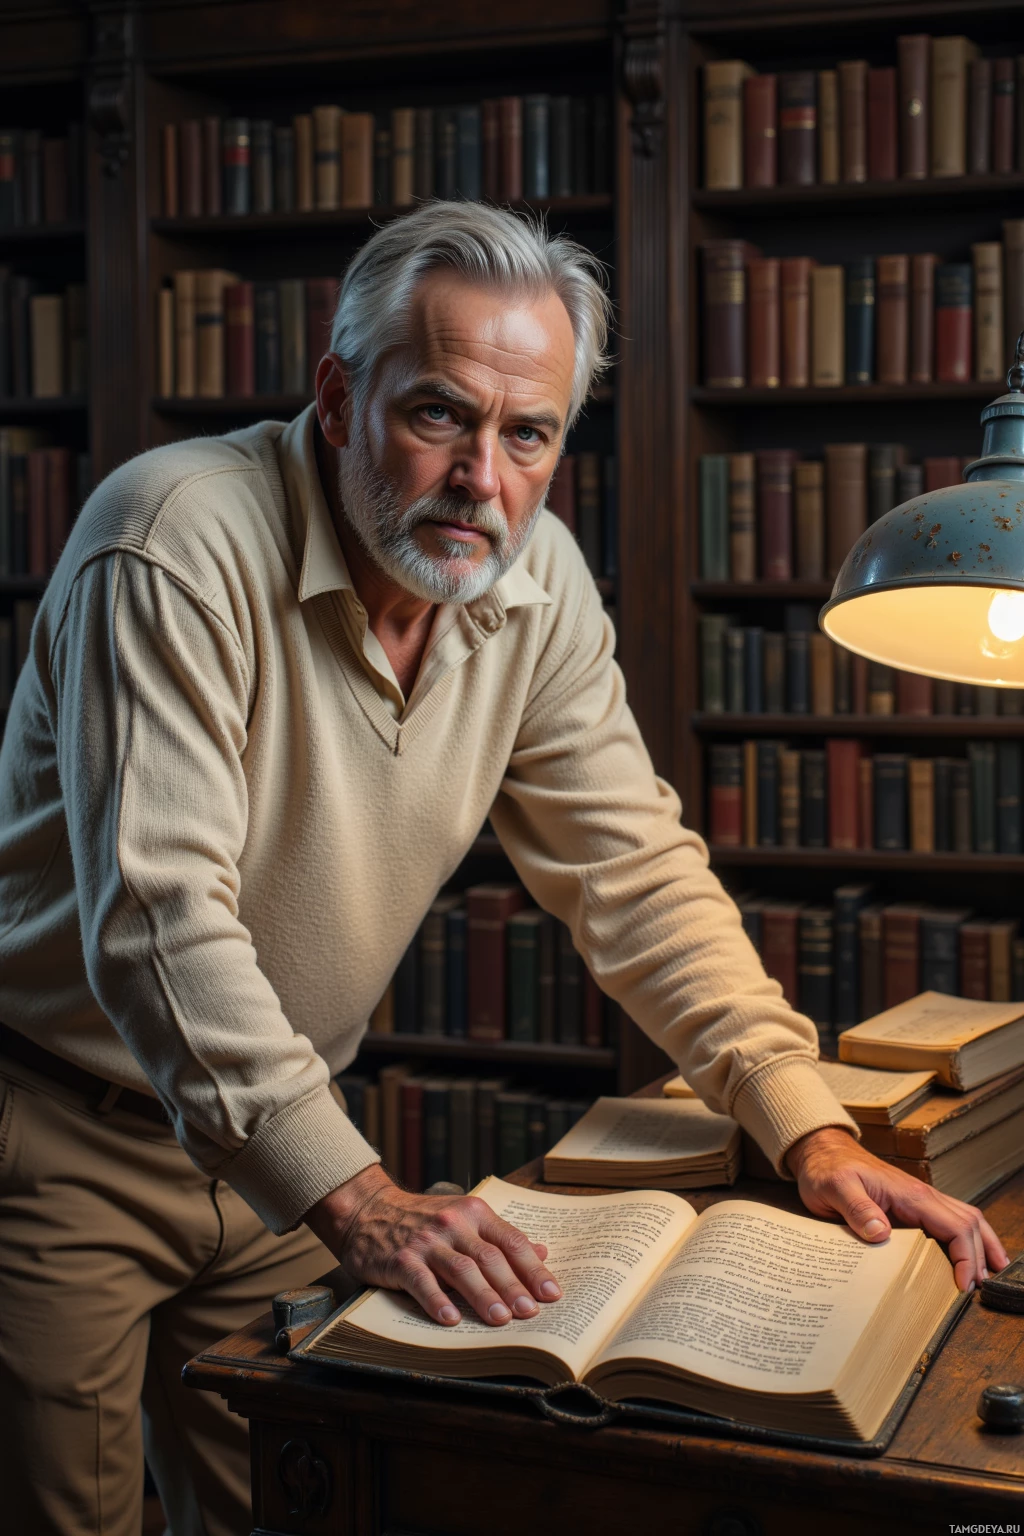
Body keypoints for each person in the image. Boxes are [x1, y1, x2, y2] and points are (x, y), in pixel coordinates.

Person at [0, 201, 1006, 1536]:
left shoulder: (535, 587)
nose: (483, 476)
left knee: (288, 1506)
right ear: (340, 392)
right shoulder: (171, 537)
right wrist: (355, 1196)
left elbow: (634, 873)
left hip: (276, 1148)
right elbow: (160, 924)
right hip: (63, 1138)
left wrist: (803, 1117)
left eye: (526, 434)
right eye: (438, 415)